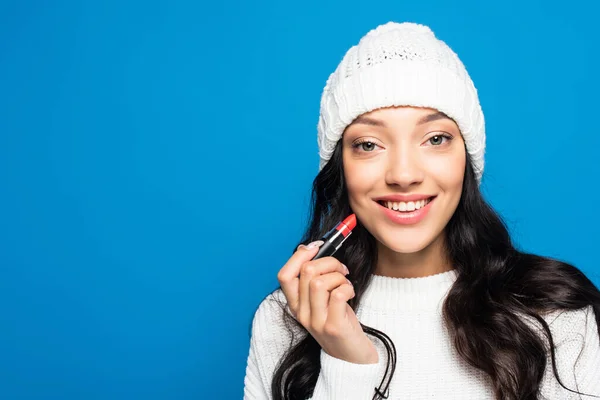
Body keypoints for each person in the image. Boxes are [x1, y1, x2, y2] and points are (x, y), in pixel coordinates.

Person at [242, 21, 600, 400]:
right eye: (368, 144)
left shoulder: (554, 315)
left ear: (467, 159)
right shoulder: (284, 320)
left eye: (435, 139)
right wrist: (347, 362)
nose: (403, 175)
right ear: (340, 167)